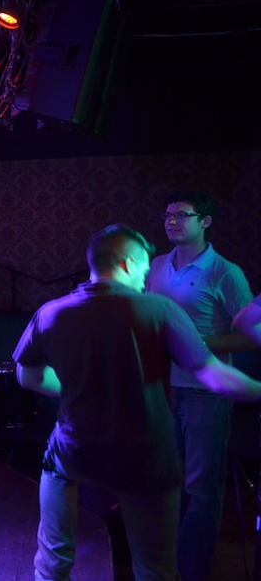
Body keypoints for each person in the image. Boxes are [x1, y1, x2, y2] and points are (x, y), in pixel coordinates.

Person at [13, 224, 261, 581]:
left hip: (74, 454)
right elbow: (213, 376)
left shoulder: (51, 313)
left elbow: (29, 377)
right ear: (128, 263)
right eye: (144, 268)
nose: (146, 278)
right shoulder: (160, 309)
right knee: (155, 568)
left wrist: (81, 389)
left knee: (53, 560)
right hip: (145, 459)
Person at [145, 189, 254, 581]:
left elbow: (252, 335)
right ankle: (168, 564)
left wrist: (197, 342)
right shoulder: (157, 265)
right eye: (167, 215)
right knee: (166, 482)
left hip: (205, 392)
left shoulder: (225, 272)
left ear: (205, 222)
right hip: (161, 388)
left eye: (182, 215)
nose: (172, 221)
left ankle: (194, 570)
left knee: (202, 489)